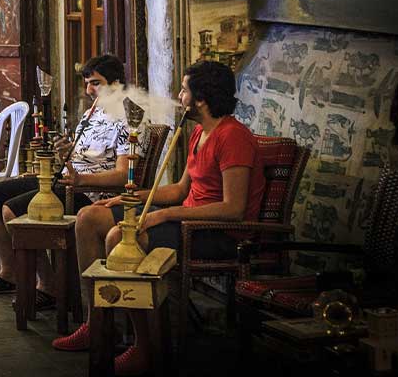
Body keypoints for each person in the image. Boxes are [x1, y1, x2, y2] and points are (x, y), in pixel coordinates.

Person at [58, 60, 265, 373]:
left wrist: (162, 215)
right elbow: (181, 190)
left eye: (183, 90)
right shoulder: (200, 134)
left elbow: (233, 209)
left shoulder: (232, 137)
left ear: (202, 98)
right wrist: (135, 198)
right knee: (90, 216)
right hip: (187, 220)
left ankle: (146, 345)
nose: (178, 96)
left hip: (214, 234)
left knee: (122, 237)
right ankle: (97, 324)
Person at [0, 54, 140, 311]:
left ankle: (49, 286)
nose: (88, 90)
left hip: (89, 193)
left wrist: (82, 178)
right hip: (69, 180)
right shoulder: (94, 111)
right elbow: (84, 156)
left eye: (95, 83)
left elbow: (123, 174)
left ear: (115, 83)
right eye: (87, 83)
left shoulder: (127, 116)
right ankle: (9, 273)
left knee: (12, 210)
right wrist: (65, 151)